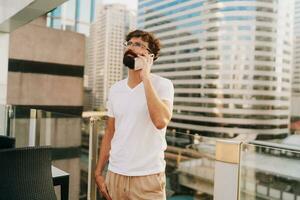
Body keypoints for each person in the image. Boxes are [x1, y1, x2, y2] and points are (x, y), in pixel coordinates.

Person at [94, 29, 174, 200]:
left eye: (138, 44)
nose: (131, 47)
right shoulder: (116, 89)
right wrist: (99, 172)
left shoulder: (163, 85)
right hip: (115, 174)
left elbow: (161, 121)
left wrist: (145, 77)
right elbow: (110, 132)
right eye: (129, 43)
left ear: (150, 56)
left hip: (148, 178)